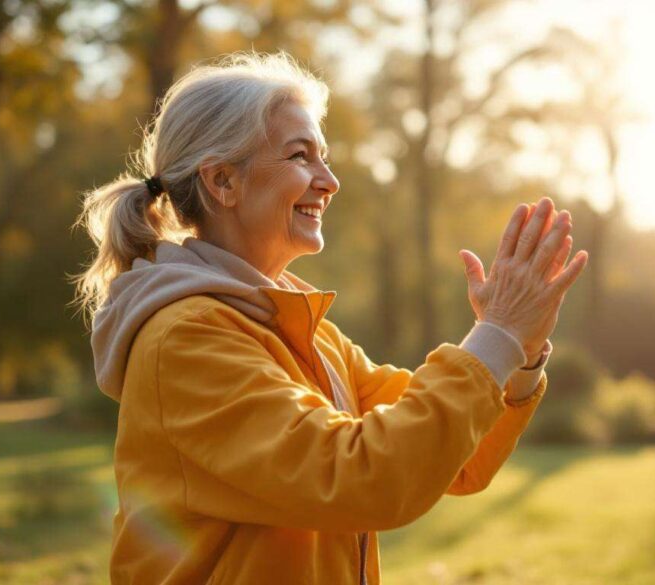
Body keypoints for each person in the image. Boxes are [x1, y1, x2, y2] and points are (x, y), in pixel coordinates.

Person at [75, 52, 588, 585]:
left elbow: (451, 459)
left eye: (324, 157)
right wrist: (497, 333)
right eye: (301, 156)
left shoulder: (301, 328)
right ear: (223, 181)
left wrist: (520, 352)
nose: (330, 181)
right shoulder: (185, 339)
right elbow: (364, 479)